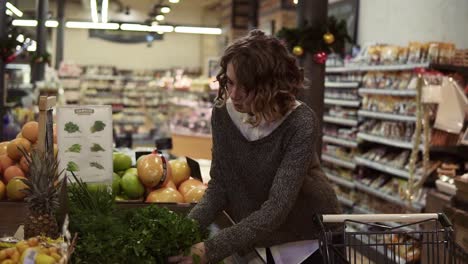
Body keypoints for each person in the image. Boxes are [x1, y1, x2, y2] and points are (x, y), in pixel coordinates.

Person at [169, 30, 341, 264]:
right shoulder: (223, 113)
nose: (234, 94)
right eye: (230, 82)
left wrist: (210, 249)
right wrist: (183, 231)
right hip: (257, 237)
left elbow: (278, 207)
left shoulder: (300, 121)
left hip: (306, 237)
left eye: (246, 86)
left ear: (271, 85)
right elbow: (220, 185)